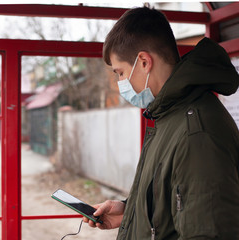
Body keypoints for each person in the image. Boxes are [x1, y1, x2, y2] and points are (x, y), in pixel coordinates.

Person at [83, 7, 239, 240]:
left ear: (144, 62)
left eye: (121, 72)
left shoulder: (196, 132)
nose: (120, 83)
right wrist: (129, 211)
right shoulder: (169, 116)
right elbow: (175, 204)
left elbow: (209, 232)